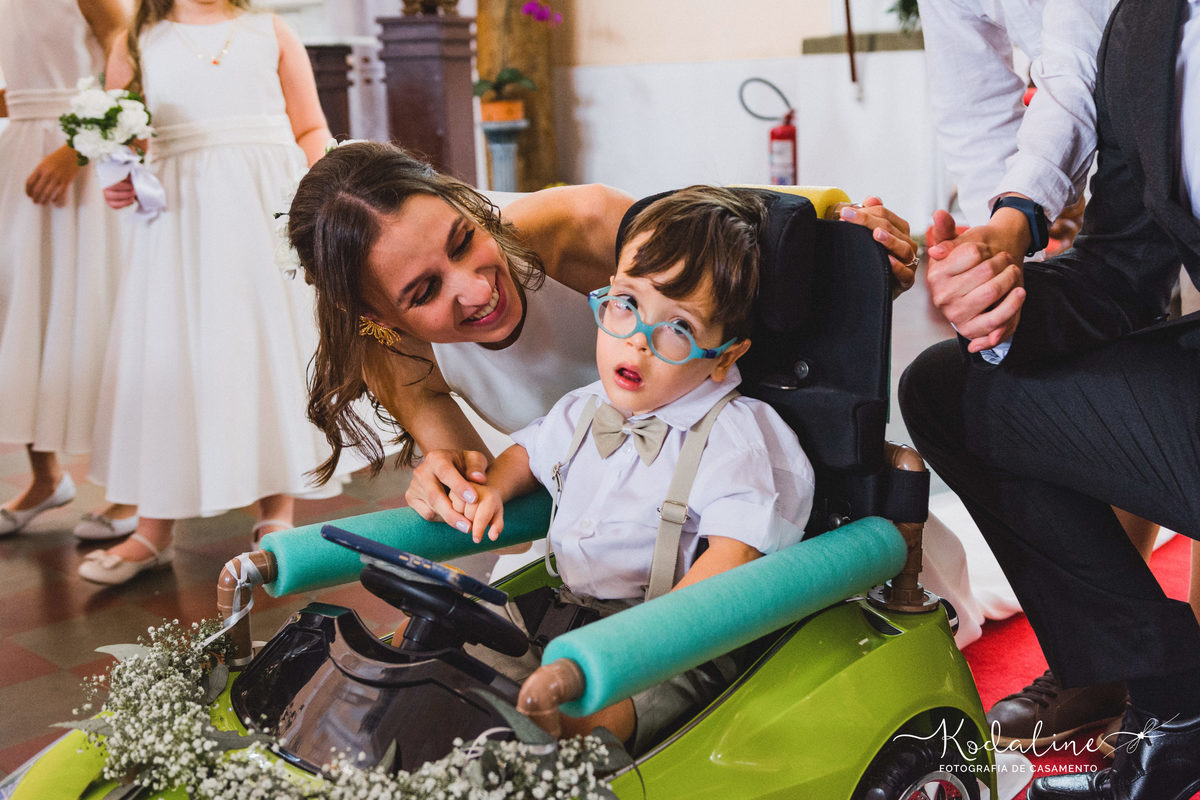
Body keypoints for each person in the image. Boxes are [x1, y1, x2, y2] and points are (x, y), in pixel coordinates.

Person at [285, 141, 917, 538]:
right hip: (601, 509)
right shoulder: (384, 347)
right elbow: (475, 479)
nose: (475, 290)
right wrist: (444, 483)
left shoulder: (583, 223)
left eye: (463, 240)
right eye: (424, 293)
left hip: (727, 483)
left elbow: (725, 257)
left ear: (468, 204)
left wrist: (860, 258)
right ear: (380, 318)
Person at [899, 0, 1200, 795]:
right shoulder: (1149, 27)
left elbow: (1067, 79)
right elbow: (1126, 266)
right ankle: (1170, 699)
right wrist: (1002, 284)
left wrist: (1019, 214)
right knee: (951, 386)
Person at [454, 186, 813, 749]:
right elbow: (529, 451)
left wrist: (646, 639)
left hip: (676, 640)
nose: (639, 341)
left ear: (724, 356)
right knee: (453, 653)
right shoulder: (582, 408)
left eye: (679, 328)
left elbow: (733, 558)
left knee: (593, 718)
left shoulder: (738, 438)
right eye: (626, 304)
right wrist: (496, 487)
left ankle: (551, 757)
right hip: (567, 612)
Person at [918, 0, 1135, 750]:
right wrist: (999, 257)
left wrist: (1020, 215)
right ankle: (1106, 663)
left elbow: (1079, 69)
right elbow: (973, 101)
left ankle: (1181, 692)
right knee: (1053, 372)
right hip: (1075, 181)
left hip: (1165, 133)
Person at [78, 0, 334, 585]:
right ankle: (152, 528)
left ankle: (277, 513)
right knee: (171, 357)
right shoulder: (138, 41)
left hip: (264, 206)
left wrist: (322, 193)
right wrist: (115, 175)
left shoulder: (271, 30)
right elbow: (117, 136)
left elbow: (309, 125)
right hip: (180, 221)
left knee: (264, 350)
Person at [0, 0, 130, 538]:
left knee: (94, 312)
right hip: (18, 154)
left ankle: (129, 493)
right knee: (22, 308)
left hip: (80, 159)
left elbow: (130, 61)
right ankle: (45, 478)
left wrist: (76, 150)